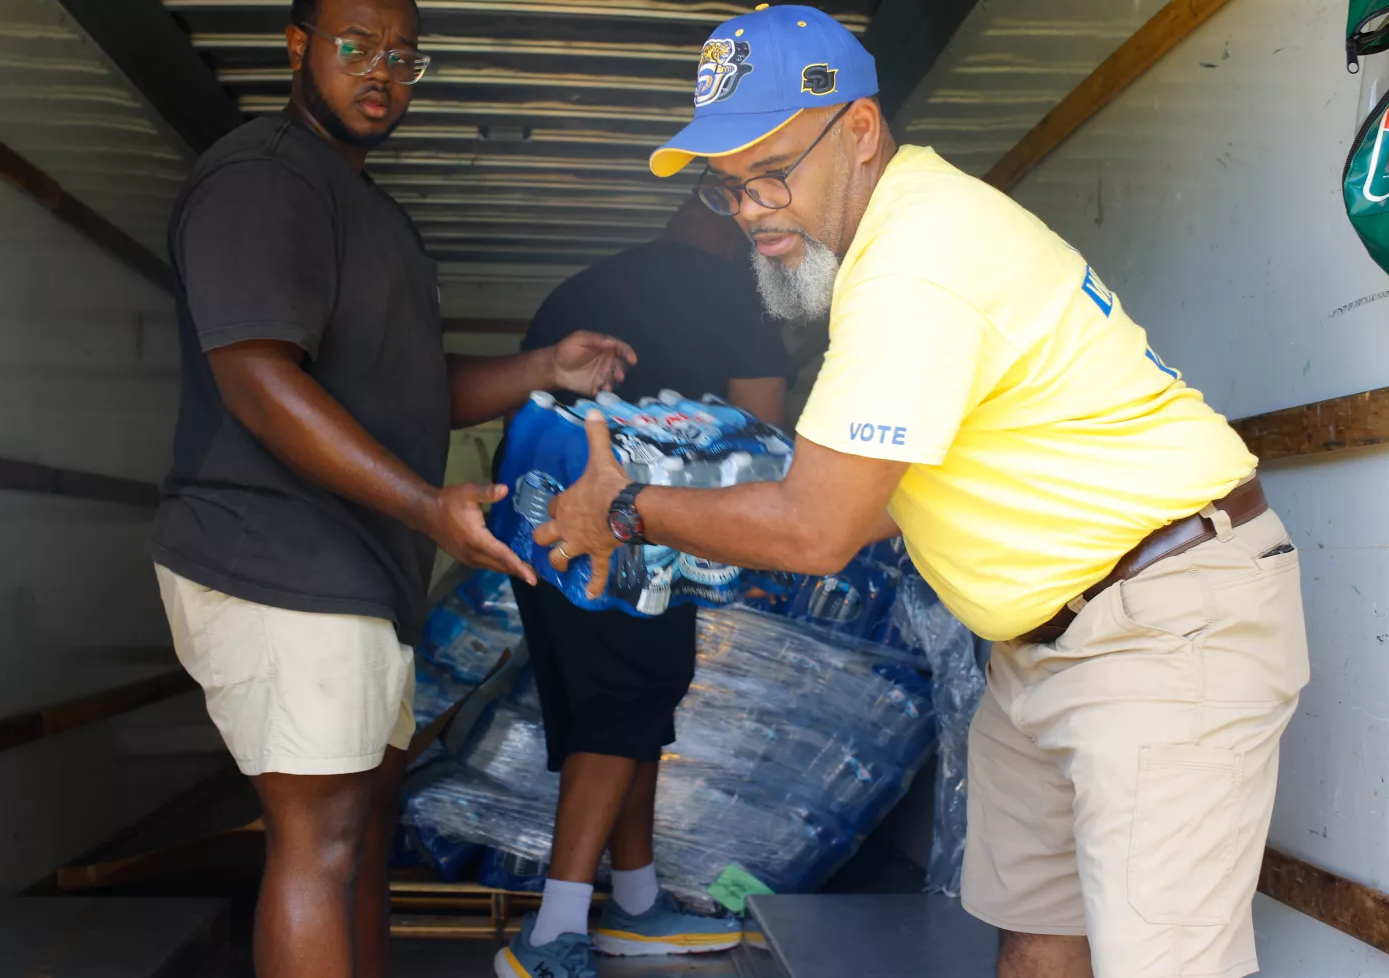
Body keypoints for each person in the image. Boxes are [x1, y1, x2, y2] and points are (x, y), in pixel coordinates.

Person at [536, 7, 1310, 978]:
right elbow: (834, 495)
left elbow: (819, 528)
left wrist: (624, 508)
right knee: (1037, 940)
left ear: (860, 131)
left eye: (772, 170)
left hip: (1160, 626)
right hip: (1046, 643)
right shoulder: (889, 251)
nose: (752, 211)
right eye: (727, 187)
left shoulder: (914, 262)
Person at [147, 1, 631, 976]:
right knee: (320, 840)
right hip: (275, 558)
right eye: (356, 47)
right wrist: (424, 505)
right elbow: (256, 379)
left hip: (355, 573)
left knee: (363, 829)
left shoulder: (364, 205)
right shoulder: (263, 179)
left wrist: (545, 366)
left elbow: (410, 390)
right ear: (298, 48)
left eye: (404, 56)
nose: (382, 71)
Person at [493, 197, 790, 978]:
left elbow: (523, 411)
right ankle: (553, 932)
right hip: (633, 532)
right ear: (732, 222)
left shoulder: (579, 291)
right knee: (627, 700)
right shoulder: (740, 295)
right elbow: (765, 441)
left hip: (537, 520)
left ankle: (633, 901)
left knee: (628, 701)